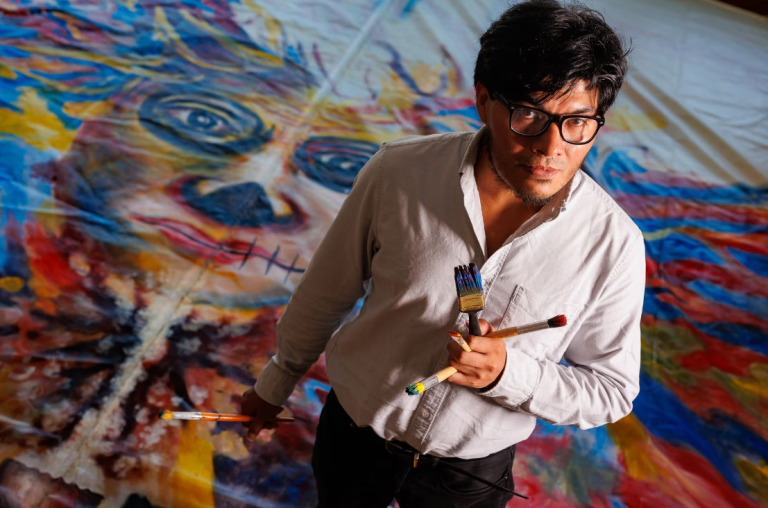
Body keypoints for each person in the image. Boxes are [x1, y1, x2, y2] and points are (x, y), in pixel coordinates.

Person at [241, 0, 645, 506]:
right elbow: (326, 291)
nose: (551, 148)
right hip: (353, 435)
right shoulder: (398, 172)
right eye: (529, 114)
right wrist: (275, 383)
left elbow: (610, 391)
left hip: (469, 478)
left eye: (579, 121)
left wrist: (508, 375)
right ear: (484, 100)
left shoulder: (615, 244)